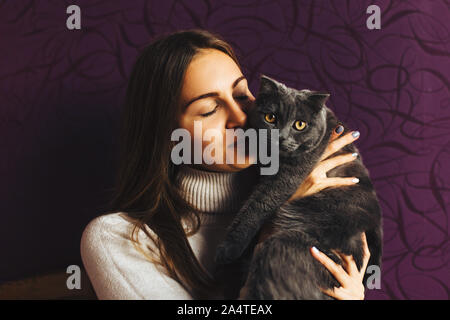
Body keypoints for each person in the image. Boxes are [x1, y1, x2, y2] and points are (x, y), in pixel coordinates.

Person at [80, 29, 370, 300]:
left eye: (243, 96)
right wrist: (276, 229)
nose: (240, 118)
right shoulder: (119, 239)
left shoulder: (319, 204)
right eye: (209, 110)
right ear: (167, 135)